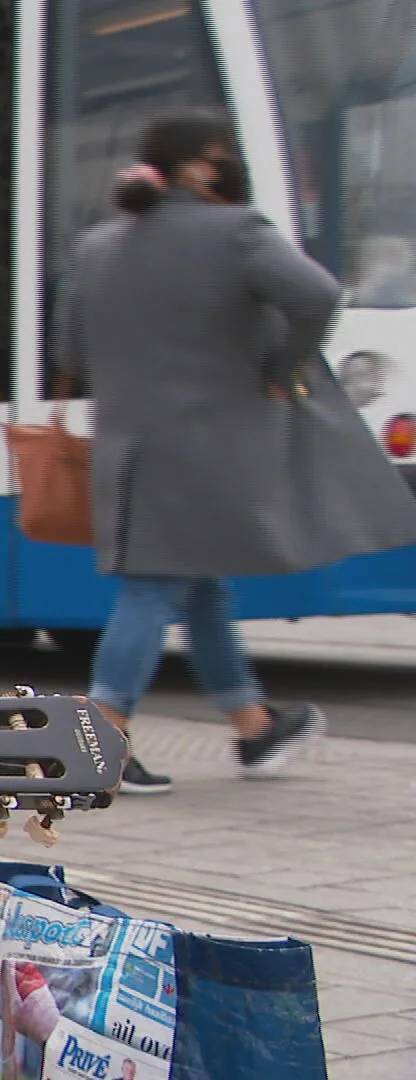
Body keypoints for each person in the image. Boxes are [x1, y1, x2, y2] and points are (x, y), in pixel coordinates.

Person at [53, 108, 416, 793]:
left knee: (200, 588)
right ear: (195, 165)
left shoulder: (99, 245)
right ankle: (102, 738)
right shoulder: (237, 233)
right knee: (156, 587)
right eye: (222, 152)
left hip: (129, 450)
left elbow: (70, 351)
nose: (230, 163)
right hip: (208, 451)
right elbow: (317, 294)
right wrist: (279, 369)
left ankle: (253, 727)